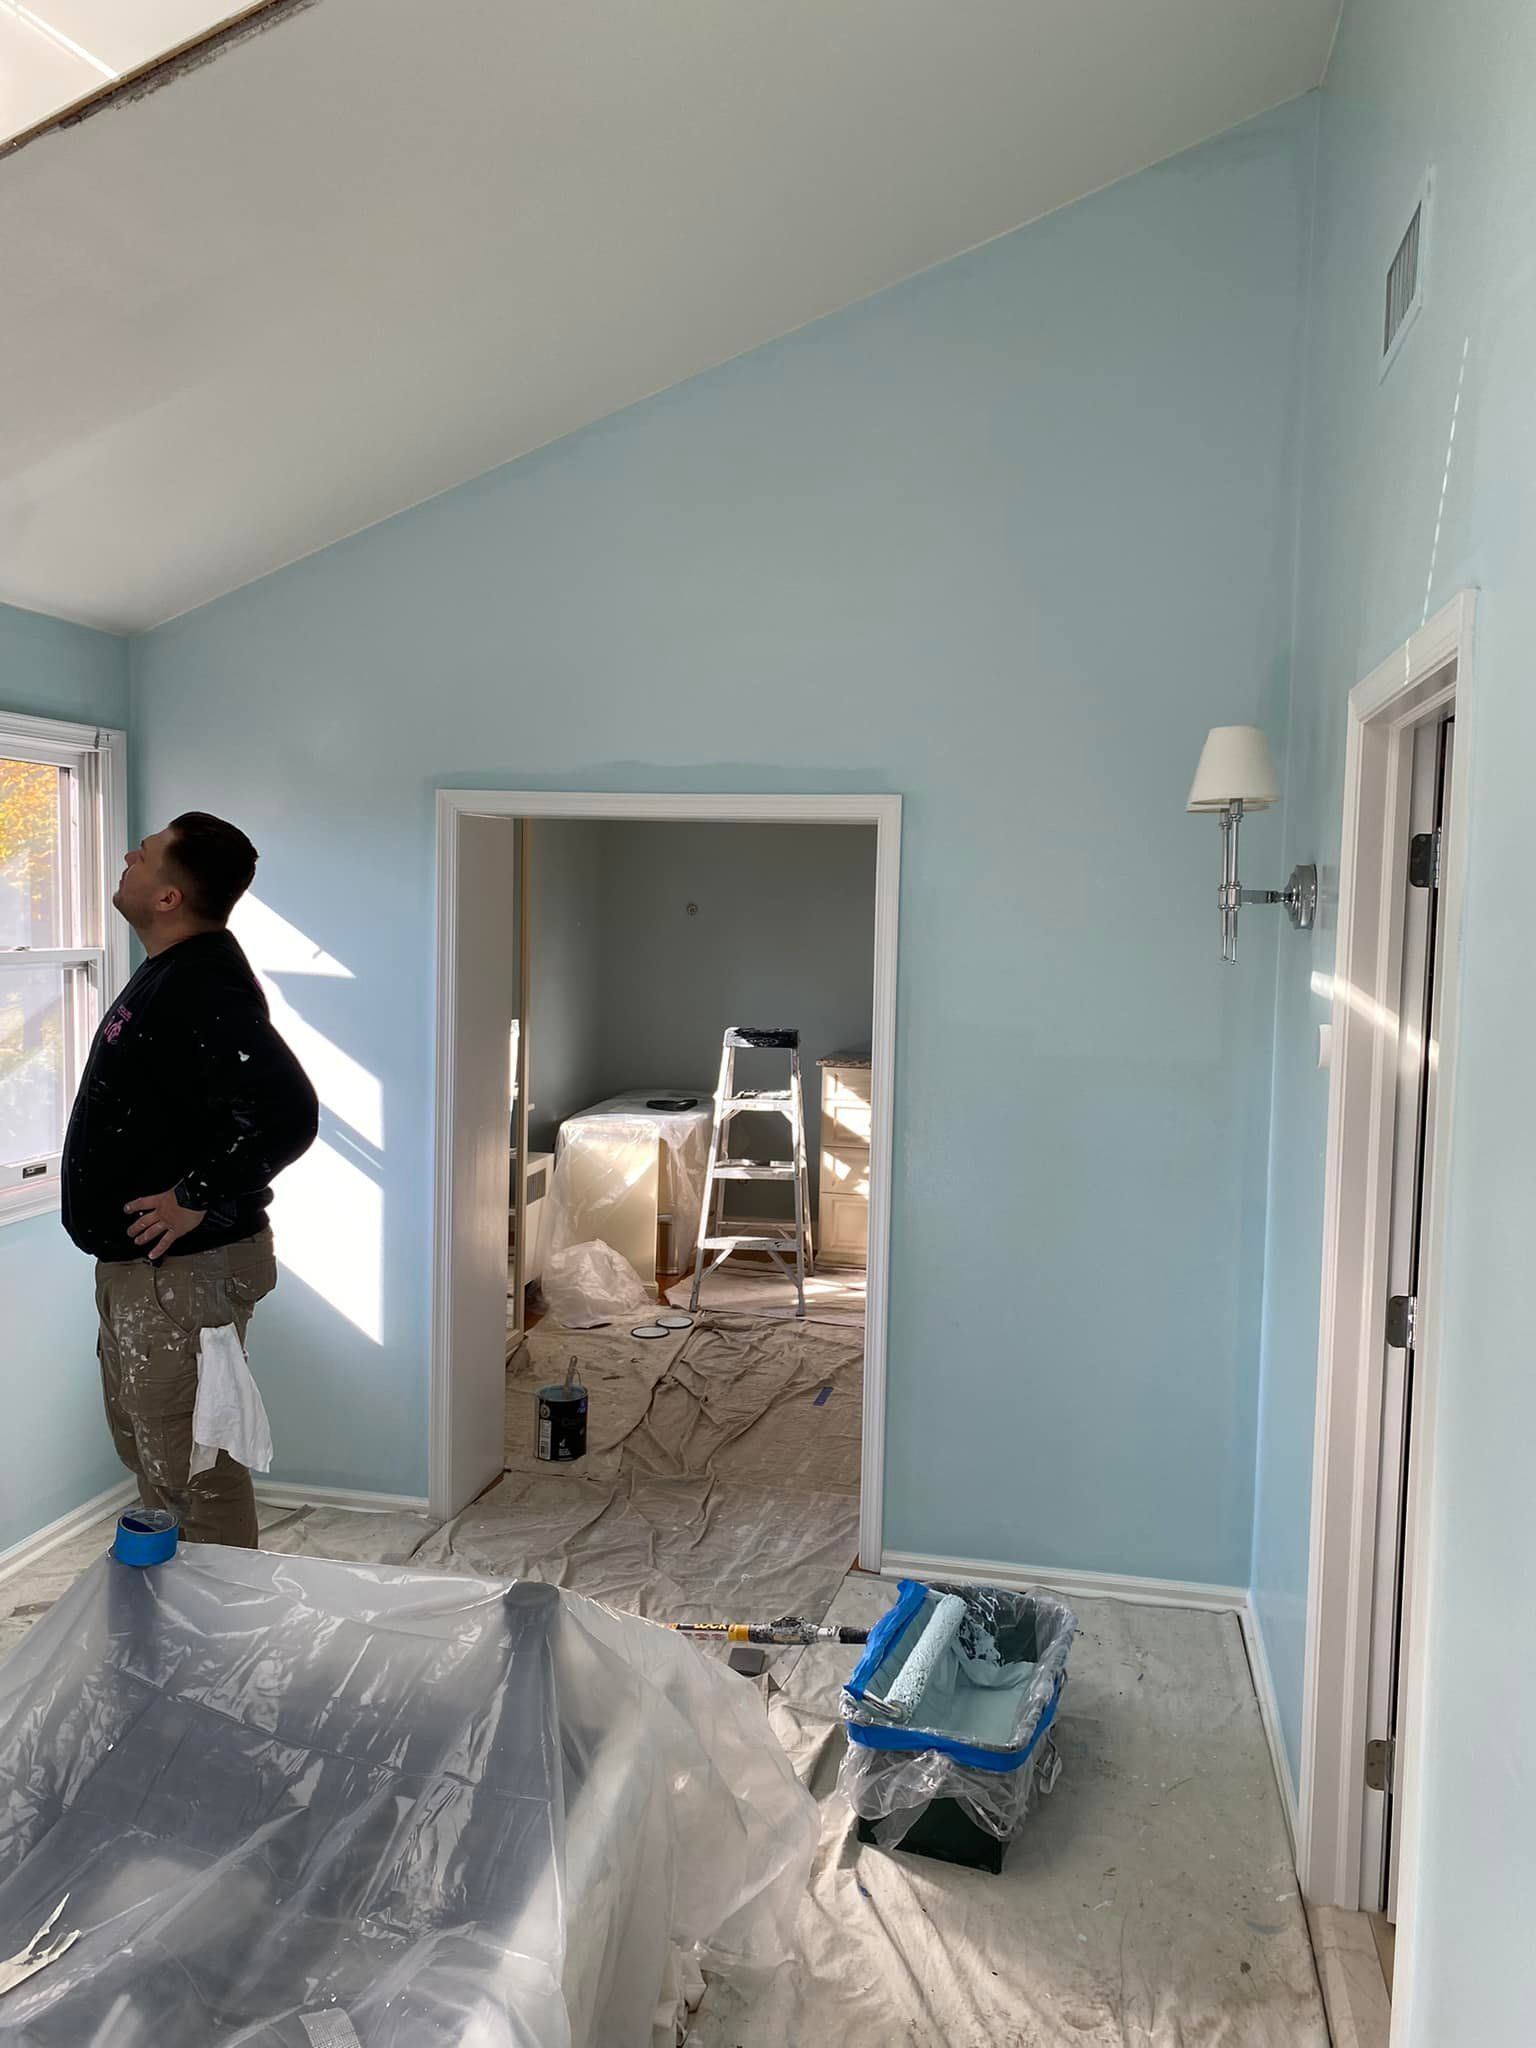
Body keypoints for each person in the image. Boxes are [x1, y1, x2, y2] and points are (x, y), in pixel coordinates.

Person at [62, 812, 318, 1548]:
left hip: (181, 1275)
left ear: (169, 896)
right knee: (160, 1457)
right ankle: (184, 1608)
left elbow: (288, 1113)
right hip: (152, 1272)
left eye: (142, 856)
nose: (127, 858)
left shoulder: (200, 982)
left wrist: (193, 1197)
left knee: (193, 1467)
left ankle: (224, 1616)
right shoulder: (174, 972)